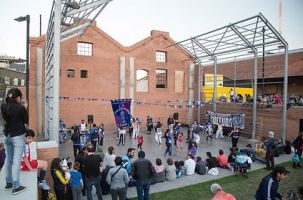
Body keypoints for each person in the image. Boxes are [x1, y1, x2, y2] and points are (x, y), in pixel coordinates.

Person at [1, 88, 28, 194]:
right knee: (17, 160)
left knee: (9, 159)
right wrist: (25, 106)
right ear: (18, 97)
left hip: (7, 136)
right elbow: (26, 120)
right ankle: (16, 186)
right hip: (18, 136)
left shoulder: (3, 107)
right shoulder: (20, 107)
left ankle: (9, 183)